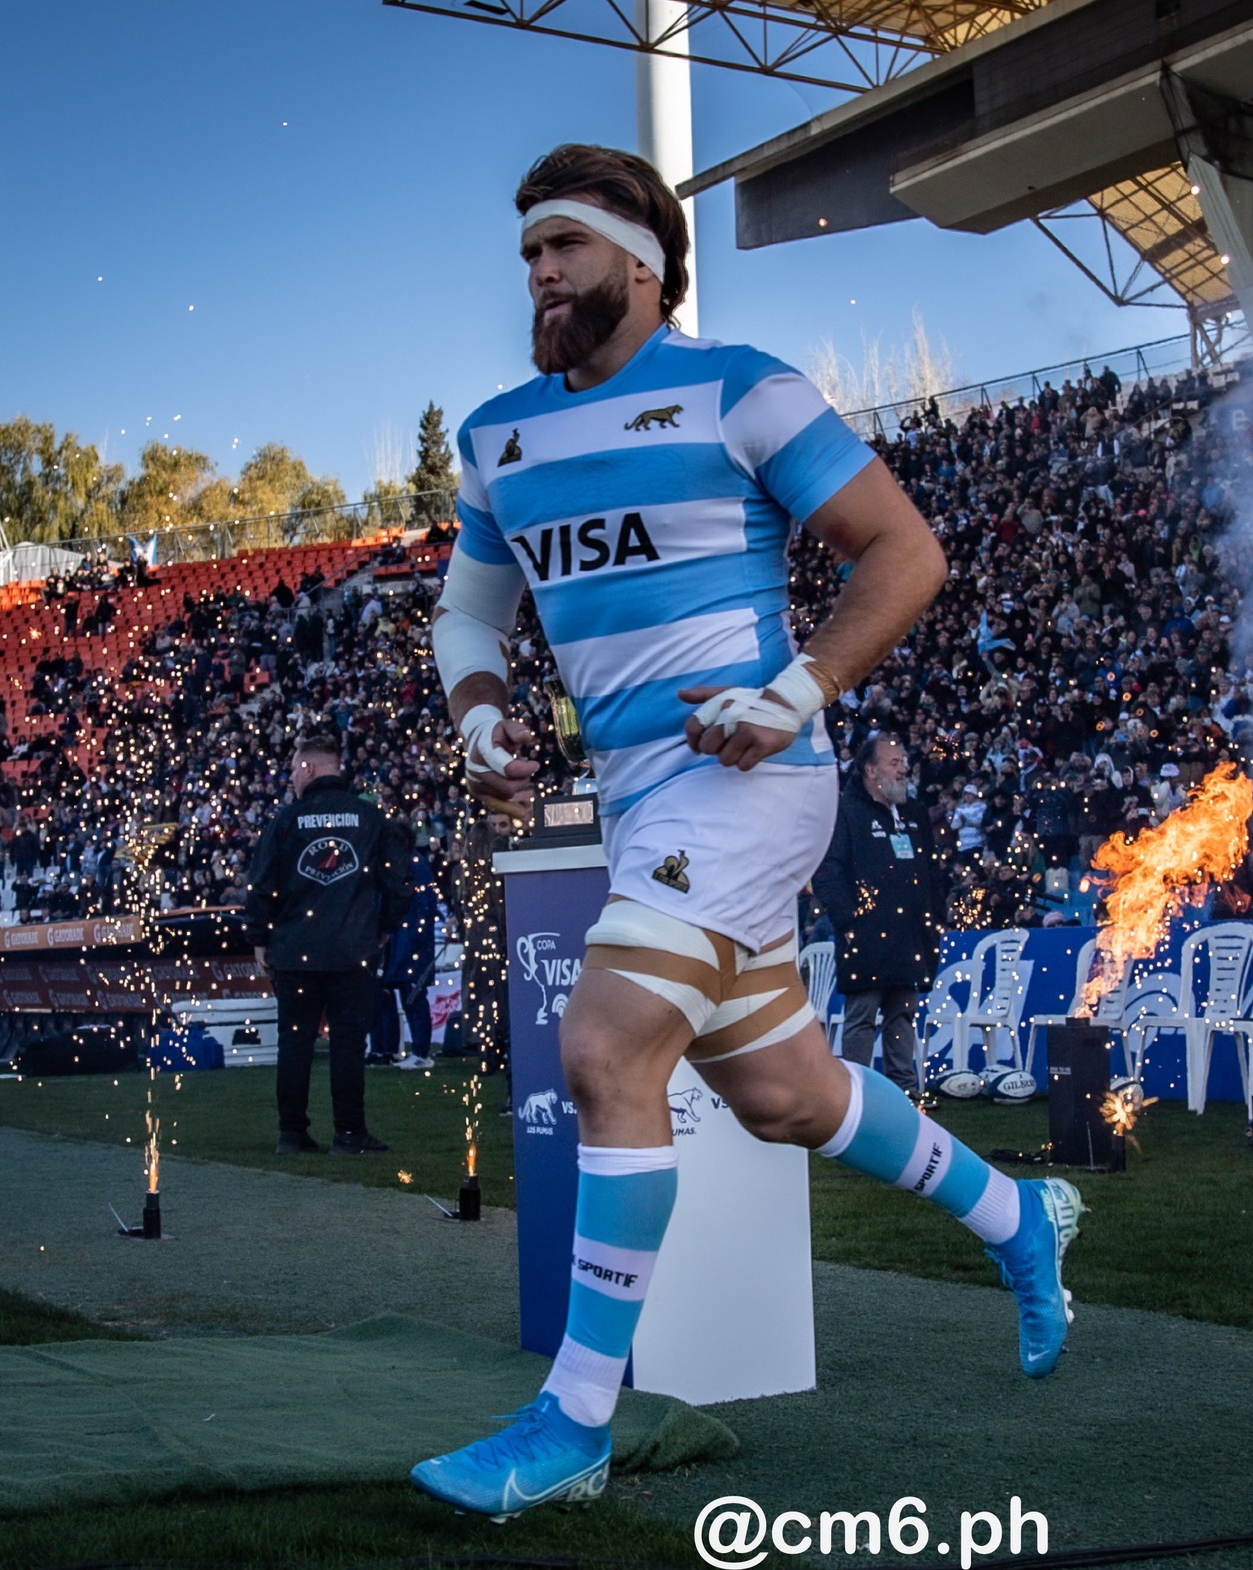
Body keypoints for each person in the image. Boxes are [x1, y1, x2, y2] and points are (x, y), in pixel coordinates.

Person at [411, 144, 1084, 1520]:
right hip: (641, 801)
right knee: (787, 1097)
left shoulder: (742, 389)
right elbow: (470, 616)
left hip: (758, 781)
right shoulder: (497, 436)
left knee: (602, 1044)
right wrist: (480, 718)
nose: (539, 273)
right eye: (528, 253)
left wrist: (794, 692)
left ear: (642, 265)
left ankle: (575, 1422)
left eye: (564, 248)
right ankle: (1024, 1219)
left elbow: (903, 551)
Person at [242, 732, 413, 1156]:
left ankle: (291, 1134)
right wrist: (384, 927)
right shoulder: (370, 818)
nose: (291, 779)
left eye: (293, 771)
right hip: (352, 948)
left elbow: (260, 885)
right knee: (349, 1044)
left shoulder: (286, 820)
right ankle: (350, 1134)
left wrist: (259, 939)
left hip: (296, 948)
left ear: (309, 768)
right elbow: (399, 882)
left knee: (295, 1041)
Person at [812, 734, 945, 1093]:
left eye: (904, 762)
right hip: (865, 938)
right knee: (862, 1019)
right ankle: (856, 1098)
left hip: (910, 938)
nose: (904, 769)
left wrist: (934, 919)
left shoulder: (915, 812)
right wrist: (850, 918)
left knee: (903, 1016)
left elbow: (933, 872)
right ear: (870, 770)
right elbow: (827, 870)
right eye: (894, 762)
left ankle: (907, 1098)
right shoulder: (846, 811)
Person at [371, 848, 440, 1067]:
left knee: (413, 994)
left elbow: (425, 903)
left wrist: (416, 935)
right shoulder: (388, 860)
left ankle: (420, 1053)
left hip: (408, 940)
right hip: (394, 938)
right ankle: (385, 1049)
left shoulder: (413, 862)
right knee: (385, 993)